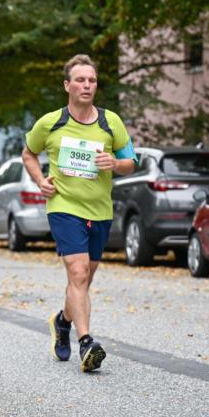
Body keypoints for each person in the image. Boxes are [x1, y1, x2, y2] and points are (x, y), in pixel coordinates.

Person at [22, 54, 137, 373]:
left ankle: (62, 321)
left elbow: (132, 161)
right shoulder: (50, 122)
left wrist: (115, 164)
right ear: (67, 85)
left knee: (83, 281)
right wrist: (40, 180)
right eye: (81, 80)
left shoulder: (110, 121)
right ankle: (86, 342)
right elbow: (28, 154)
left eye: (92, 80)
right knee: (78, 272)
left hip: (99, 209)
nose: (87, 85)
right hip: (64, 206)